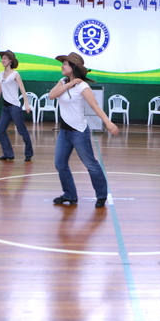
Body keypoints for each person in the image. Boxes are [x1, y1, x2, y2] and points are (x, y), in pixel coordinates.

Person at [49, 52, 119, 208]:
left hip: (79, 132)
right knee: (60, 164)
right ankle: (70, 195)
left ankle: (102, 195)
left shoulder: (83, 86)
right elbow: (51, 95)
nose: (62, 66)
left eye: (65, 64)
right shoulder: (63, 81)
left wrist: (107, 122)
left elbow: (94, 105)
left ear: (73, 67)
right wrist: (69, 84)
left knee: (90, 164)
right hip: (64, 132)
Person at [0, 50, 34, 162]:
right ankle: (8, 154)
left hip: (15, 107)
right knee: (0, 130)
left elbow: (22, 89)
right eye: (2, 58)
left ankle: (29, 153)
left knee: (22, 131)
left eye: (5, 58)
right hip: (6, 108)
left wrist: (26, 104)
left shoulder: (15, 74)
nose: (3, 60)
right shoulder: (0, 74)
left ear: (10, 61)